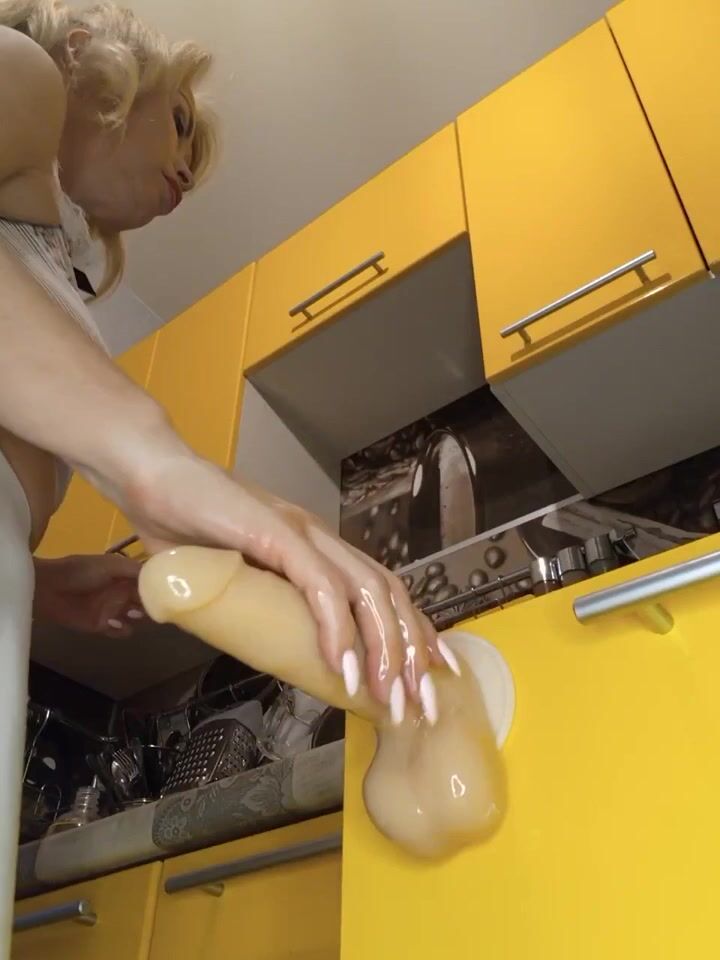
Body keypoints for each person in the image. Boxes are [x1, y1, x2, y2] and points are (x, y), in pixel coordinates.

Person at [0, 1, 456, 949]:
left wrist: (41, 582)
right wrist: (149, 454)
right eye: (180, 124)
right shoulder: (25, 72)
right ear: (86, 54)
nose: (186, 171)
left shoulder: (37, 255)